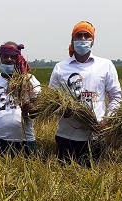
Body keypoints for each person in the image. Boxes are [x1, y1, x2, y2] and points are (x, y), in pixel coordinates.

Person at [49, 21, 121, 166]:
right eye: (78, 36)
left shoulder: (105, 65)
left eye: (86, 36)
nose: (82, 39)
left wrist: (107, 120)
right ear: (72, 40)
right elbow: (51, 100)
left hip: (96, 135)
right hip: (66, 136)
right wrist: (62, 111)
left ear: (92, 41)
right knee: (65, 181)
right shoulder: (60, 67)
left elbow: (116, 96)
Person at [0, 42, 41, 155]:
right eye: (5, 56)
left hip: (26, 141)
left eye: (13, 56)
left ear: (18, 59)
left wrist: (31, 109)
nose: (9, 59)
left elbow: (38, 108)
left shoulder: (30, 81)